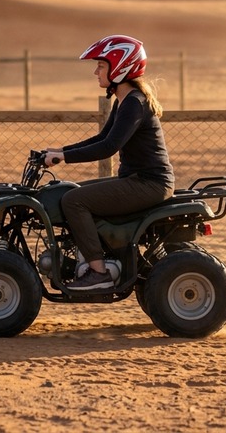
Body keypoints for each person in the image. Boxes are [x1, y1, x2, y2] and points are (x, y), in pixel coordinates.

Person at [44, 35, 175, 291]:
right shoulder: (124, 100)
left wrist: (64, 157)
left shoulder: (134, 104)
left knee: (74, 200)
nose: (96, 71)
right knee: (70, 192)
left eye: (101, 66)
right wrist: (60, 150)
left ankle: (98, 272)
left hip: (150, 184)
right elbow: (103, 137)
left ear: (121, 67)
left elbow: (108, 147)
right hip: (138, 180)